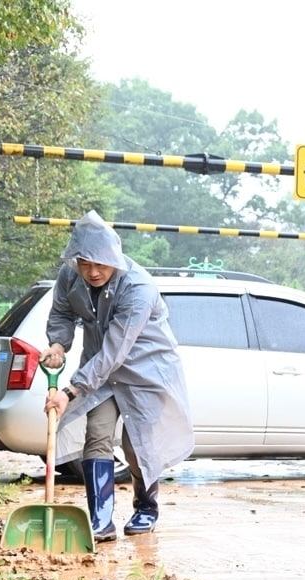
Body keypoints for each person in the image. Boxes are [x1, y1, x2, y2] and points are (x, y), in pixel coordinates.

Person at [40, 210, 193, 541]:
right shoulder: (70, 276)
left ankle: (146, 508)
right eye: (85, 264)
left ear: (114, 258)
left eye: (101, 264)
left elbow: (115, 351)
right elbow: (62, 312)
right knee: (97, 435)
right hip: (101, 373)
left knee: (138, 444)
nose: (93, 272)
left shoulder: (138, 288)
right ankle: (101, 520)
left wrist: (70, 391)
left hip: (145, 370)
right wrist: (58, 344)